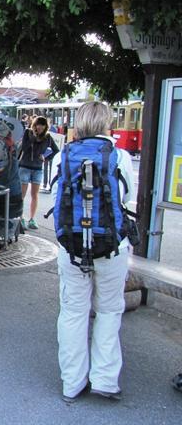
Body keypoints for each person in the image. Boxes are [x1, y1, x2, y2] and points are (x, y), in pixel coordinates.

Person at [55, 101, 135, 403]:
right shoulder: (121, 157)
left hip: (72, 247)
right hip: (112, 248)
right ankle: (105, 380)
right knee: (109, 310)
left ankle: (72, 383)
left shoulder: (65, 156)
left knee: (73, 312)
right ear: (106, 124)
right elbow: (127, 203)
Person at [18, 116, 59, 230]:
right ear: (34, 125)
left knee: (34, 195)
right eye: (37, 124)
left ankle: (32, 218)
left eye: (42, 125)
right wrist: (33, 137)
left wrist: (46, 158)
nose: (39, 127)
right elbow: (24, 148)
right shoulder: (28, 133)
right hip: (25, 166)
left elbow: (56, 150)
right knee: (22, 194)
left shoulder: (47, 137)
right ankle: (20, 217)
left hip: (37, 168)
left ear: (45, 126)